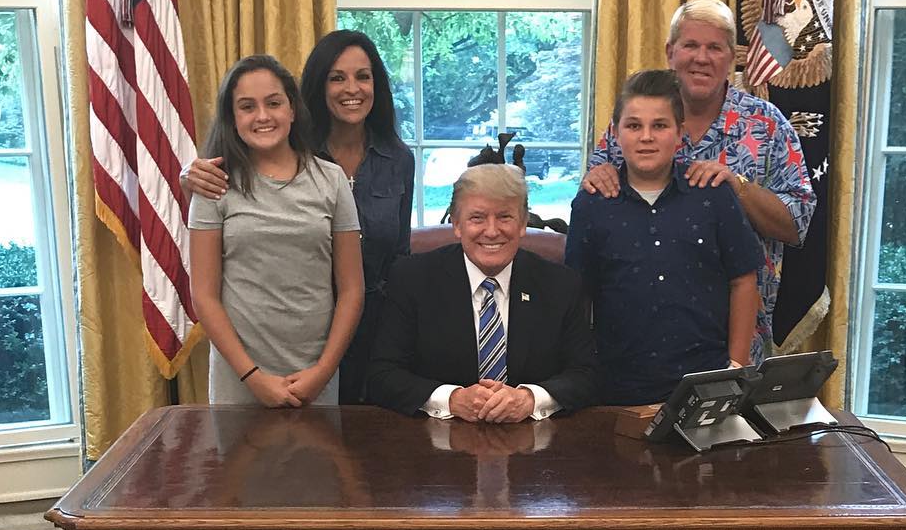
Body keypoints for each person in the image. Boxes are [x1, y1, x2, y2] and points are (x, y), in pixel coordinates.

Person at [183, 31, 415, 404]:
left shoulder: (381, 163)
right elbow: (205, 293)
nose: (262, 115)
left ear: (290, 108)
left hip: (360, 337)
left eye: (274, 103)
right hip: (252, 364)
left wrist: (324, 371)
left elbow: (393, 262)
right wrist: (254, 378)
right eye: (337, 77)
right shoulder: (223, 179)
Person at [584, 0, 815, 363]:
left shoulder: (767, 126)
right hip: (639, 340)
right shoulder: (638, 119)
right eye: (690, 45)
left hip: (737, 333)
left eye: (715, 48)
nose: (702, 58)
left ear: (732, 57)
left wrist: (738, 187)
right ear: (670, 52)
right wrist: (598, 174)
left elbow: (796, 224)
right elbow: (596, 195)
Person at [566, 70, 762, 405]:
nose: (646, 137)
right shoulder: (592, 203)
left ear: (679, 133)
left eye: (659, 125)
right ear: (615, 133)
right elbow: (576, 296)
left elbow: (743, 280)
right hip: (617, 388)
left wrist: (736, 366)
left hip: (706, 381)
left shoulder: (712, 195)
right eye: (633, 126)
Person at [368, 164, 597, 421]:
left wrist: (530, 399)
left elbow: (585, 374)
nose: (491, 231)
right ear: (456, 225)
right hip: (436, 443)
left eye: (504, 217)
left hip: (533, 445)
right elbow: (383, 374)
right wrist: (451, 399)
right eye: (477, 218)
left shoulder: (561, 284)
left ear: (523, 224)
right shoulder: (412, 278)